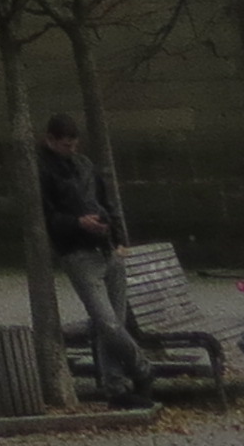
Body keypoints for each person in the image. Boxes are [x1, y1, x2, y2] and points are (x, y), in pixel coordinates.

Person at [37, 116, 146, 406]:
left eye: (73, 144)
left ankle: (117, 388)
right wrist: (78, 223)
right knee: (107, 322)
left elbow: (104, 201)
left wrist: (117, 235)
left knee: (112, 324)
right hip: (77, 252)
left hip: (105, 248)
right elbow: (48, 218)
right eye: (64, 145)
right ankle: (142, 367)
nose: (70, 149)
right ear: (50, 140)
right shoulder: (43, 171)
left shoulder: (84, 165)